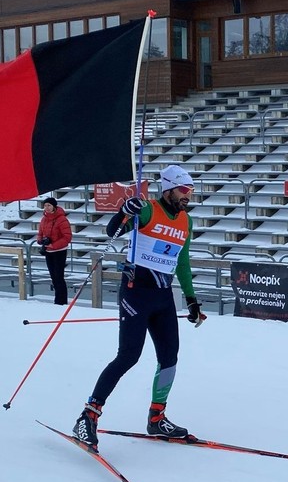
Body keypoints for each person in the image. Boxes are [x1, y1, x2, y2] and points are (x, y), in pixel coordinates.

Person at [72, 165, 204, 452]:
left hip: (163, 295)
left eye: (191, 191)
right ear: (168, 188)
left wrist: (192, 299)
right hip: (136, 293)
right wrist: (124, 210)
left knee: (169, 357)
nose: (188, 196)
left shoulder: (186, 221)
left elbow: (182, 261)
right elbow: (112, 231)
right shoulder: (146, 209)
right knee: (128, 356)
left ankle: (157, 417)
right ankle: (87, 416)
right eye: (184, 190)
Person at [36, 197, 72, 305]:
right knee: (53, 276)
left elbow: (67, 237)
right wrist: (40, 240)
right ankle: (58, 300)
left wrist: (54, 245)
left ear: (54, 206)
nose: (46, 208)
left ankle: (61, 301)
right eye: (45, 205)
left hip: (59, 251)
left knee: (59, 276)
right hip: (49, 251)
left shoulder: (62, 219)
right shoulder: (44, 219)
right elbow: (40, 232)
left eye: (49, 205)